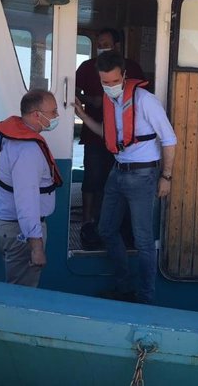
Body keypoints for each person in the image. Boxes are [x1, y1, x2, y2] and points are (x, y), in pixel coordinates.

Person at [74, 50, 176, 304]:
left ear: (125, 75)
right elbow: (106, 134)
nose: (109, 87)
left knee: (143, 240)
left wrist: (166, 176)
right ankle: (124, 287)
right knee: (106, 230)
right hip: (117, 172)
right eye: (104, 83)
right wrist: (83, 115)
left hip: (143, 175)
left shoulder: (145, 100)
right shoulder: (113, 102)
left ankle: (145, 298)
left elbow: (170, 139)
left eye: (113, 82)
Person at [75, 28, 144, 249]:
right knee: (92, 178)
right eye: (98, 42)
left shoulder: (132, 68)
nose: (100, 46)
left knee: (118, 185)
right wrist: (90, 99)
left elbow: (140, 95)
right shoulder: (86, 67)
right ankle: (87, 222)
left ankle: (119, 228)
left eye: (105, 43)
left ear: (117, 46)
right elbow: (72, 91)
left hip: (125, 140)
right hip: (94, 135)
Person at [0, 89, 62, 287]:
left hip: (3, 225)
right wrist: (36, 245)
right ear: (36, 115)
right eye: (53, 111)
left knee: (14, 286)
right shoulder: (27, 150)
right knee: (21, 294)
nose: (57, 116)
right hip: (19, 233)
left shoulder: (4, 137)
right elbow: (27, 200)